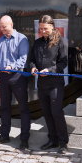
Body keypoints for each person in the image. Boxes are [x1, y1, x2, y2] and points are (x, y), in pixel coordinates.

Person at [30, 15, 69, 154]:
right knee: (46, 113)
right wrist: (33, 68)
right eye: (41, 29)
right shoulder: (37, 43)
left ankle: (63, 142)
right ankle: (52, 139)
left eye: (45, 28)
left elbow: (63, 62)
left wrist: (50, 70)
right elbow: (32, 59)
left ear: (52, 26)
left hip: (55, 84)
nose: (43, 31)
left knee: (56, 112)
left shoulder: (60, 42)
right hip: (41, 84)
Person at [0, 15, 30, 150]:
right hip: (2, 78)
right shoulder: (0, 41)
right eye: (0, 27)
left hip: (17, 77)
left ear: (11, 24)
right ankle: (4, 135)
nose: (2, 30)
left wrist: (11, 67)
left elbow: (23, 59)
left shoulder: (22, 39)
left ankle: (24, 138)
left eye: (4, 27)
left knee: (23, 108)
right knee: (5, 107)